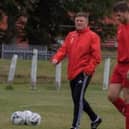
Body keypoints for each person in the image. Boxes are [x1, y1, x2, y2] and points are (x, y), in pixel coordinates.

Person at [51, 12, 102, 129]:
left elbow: (96, 57)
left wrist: (88, 70)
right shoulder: (71, 35)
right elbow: (63, 50)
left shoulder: (93, 36)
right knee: (77, 99)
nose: (79, 22)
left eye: (81, 21)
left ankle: (75, 126)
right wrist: (56, 58)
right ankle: (95, 119)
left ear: (86, 22)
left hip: (84, 72)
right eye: (77, 20)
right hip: (72, 72)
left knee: (78, 99)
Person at [107, 1, 129, 129]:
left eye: (119, 15)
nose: (117, 18)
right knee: (112, 95)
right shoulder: (120, 27)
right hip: (119, 65)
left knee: (127, 98)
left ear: (126, 12)